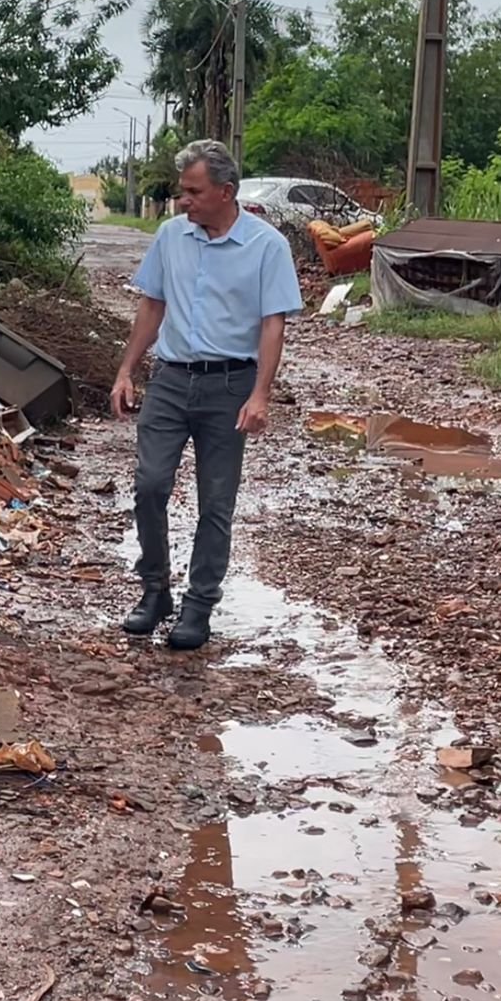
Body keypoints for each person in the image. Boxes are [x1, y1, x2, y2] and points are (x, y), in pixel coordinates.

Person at [110, 139, 302, 650]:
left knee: (215, 502)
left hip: (229, 384)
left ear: (226, 191)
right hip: (171, 379)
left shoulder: (266, 246)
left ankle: (198, 606)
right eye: (182, 191)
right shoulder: (171, 237)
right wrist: (127, 370)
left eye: (193, 191)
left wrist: (261, 394)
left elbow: (273, 324)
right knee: (150, 486)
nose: (183, 201)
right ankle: (155, 592)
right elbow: (152, 306)